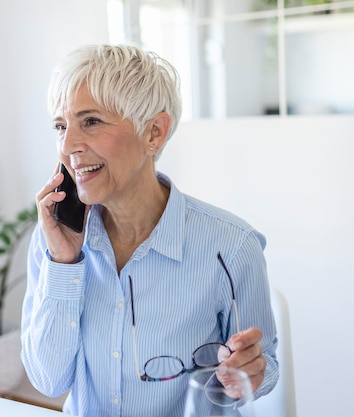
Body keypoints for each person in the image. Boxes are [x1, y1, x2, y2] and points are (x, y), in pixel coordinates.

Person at [20, 44, 279, 417]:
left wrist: (251, 372)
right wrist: (64, 263)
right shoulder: (54, 241)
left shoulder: (232, 247)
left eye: (90, 121)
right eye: (61, 126)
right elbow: (49, 380)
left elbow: (264, 364)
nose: (68, 146)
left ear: (154, 133)